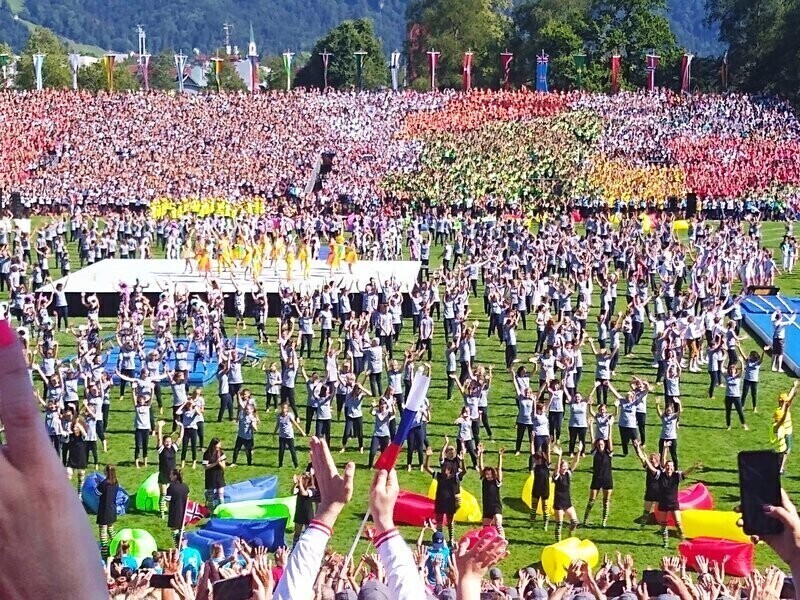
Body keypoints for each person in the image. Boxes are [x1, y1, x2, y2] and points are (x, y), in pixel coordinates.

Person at [424, 445, 463, 545]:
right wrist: (428, 457)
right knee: (440, 521)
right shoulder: (439, 476)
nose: (445, 470)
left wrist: (463, 460)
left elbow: (464, 471)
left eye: (447, 469)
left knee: (450, 521)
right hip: (440, 501)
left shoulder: (454, 478)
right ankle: (439, 539)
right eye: (444, 468)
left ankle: (451, 539)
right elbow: (426, 467)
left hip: (450, 501)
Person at [552, 445, 581, 542]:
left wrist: (579, 451)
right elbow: (556, 469)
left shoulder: (568, 474)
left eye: (565, 466)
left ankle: (570, 538)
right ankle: (558, 543)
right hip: (559, 504)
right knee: (559, 525)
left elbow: (575, 462)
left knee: (574, 522)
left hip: (567, 503)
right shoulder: (556, 476)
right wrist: (559, 456)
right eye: (562, 467)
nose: (564, 468)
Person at [582, 439, 613, 528]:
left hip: (607, 480)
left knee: (606, 501)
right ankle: (585, 520)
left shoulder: (609, 453)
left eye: (602, 444)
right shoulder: (595, 453)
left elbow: (610, 441)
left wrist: (610, 427)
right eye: (598, 445)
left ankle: (604, 521)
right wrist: (591, 427)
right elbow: (592, 440)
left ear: (605, 444)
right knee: (591, 500)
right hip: (596, 479)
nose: (600, 446)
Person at [478, 444, 504, 538]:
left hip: (496, 506)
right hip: (487, 506)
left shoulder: (496, 482)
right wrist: (480, 454)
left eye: (489, 474)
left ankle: (502, 539)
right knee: (485, 526)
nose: (488, 476)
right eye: (486, 474)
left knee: (498, 521)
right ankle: (486, 541)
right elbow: (481, 467)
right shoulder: (484, 480)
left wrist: (500, 456)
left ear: (493, 474)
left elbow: (499, 469)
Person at [156, 420, 178, 519]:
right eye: (167, 442)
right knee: (163, 494)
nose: (168, 443)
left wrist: (182, 427)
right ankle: (162, 513)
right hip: (164, 475)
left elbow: (180, 438)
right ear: (164, 443)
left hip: (173, 475)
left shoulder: (173, 448)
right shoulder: (161, 450)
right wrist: (159, 427)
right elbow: (159, 438)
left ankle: (170, 511)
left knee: (172, 495)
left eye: (170, 441)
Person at [96, 464, 119, 559]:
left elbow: (97, 493)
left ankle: (104, 552)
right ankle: (117, 545)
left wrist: (98, 484)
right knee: (111, 528)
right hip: (112, 508)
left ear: (106, 472)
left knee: (103, 531)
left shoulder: (104, 483)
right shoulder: (116, 482)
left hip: (104, 509)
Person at [276, 401, 304, 468]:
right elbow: (277, 425)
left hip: (289, 436)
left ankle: (296, 465)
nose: (283, 409)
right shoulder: (279, 416)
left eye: (285, 408)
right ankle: (280, 464)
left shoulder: (289, 415)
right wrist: (274, 433)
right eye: (282, 408)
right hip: (282, 436)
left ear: (287, 409)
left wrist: (301, 431)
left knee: (292, 451)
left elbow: (295, 424)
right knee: (281, 451)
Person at [165, 468, 189, 546]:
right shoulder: (185, 486)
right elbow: (188, 498)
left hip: (174, 511)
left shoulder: (171, 487)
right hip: (184, 512)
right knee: (182, 529)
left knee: (174, 530)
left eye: (171, 474)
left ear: (175, 476)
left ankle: (177, 546)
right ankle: (184, 545)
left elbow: (167, 500)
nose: (170, 476)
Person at [202, 437, 226, 510]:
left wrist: (219, 463)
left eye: (219, 447)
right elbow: (205, 467)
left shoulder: (221, 453)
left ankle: (221, 509)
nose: (218, 448)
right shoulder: (207, 454)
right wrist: (215, 463)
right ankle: (210, 510)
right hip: (210, 476)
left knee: (220, 494)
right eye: (216, 447)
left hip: (219, 476)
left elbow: (224, 466)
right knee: (210, 495)